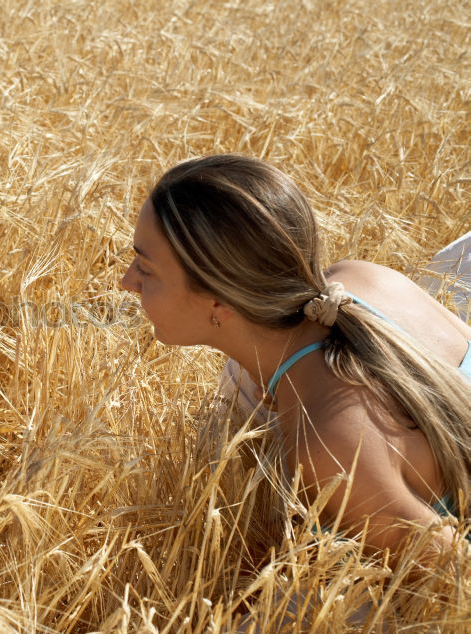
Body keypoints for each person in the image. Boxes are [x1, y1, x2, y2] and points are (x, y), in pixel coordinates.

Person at [120, 154, 471, 558]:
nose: (126, 281)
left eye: (145, 269)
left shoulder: (326, 445)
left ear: (218, 300)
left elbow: (456, 584)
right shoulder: (362, 279)